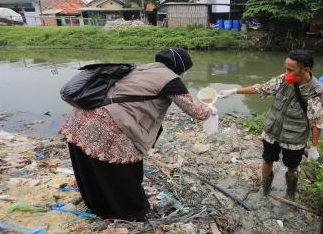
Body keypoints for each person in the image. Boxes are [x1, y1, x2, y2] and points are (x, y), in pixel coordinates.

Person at [59, 47, 216, 221]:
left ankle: (96, 204)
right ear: (181, 67)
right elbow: (196, 111)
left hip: (81, 115)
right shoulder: (170, 79)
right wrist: (210, 110)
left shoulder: (142, 68)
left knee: (90, 165)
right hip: (107, 122)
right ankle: (129, 212)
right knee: (122, 171)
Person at [218, 51, 323, 200]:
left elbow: (319, 121)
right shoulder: (283, 80)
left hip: (294, 139)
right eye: (286, 68)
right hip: (272, 132)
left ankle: (290, 194)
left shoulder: (318, 92)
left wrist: (314, 147)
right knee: (267, 160)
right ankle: (264, 190)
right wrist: (234, 91)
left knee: (292, 167)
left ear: (306, 70)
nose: (286, 73)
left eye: (291, 70)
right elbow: (260, 88)